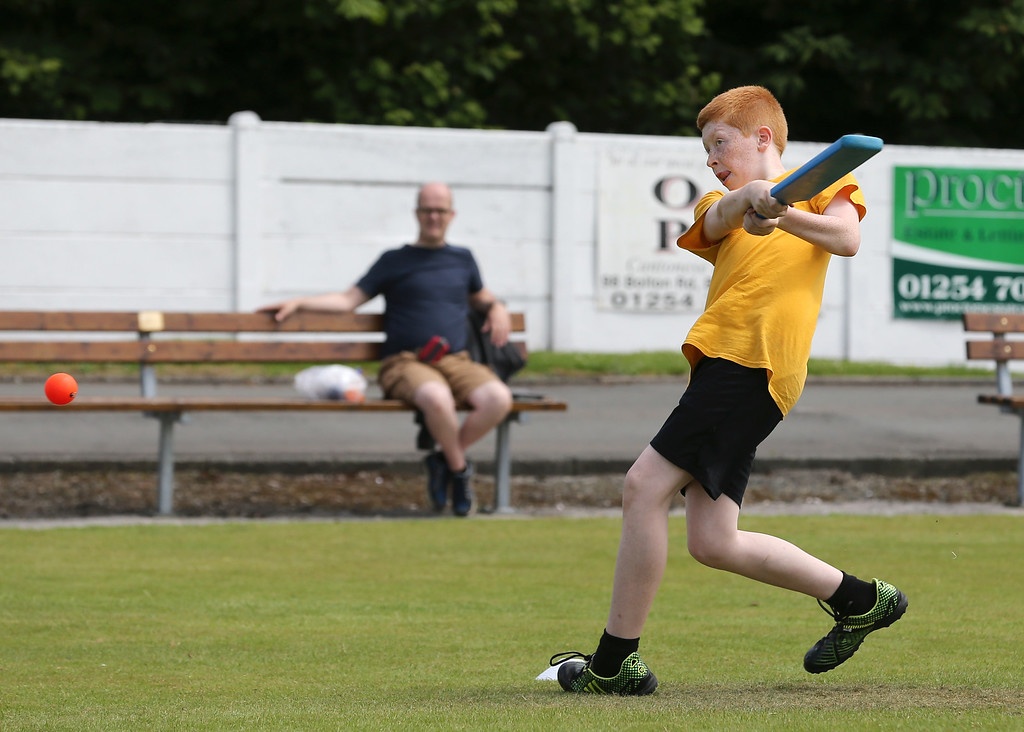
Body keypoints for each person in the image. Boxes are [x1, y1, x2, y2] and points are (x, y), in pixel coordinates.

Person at [552, 86, 907, 695]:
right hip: (726, 368)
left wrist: (781, 213)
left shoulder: (824, 186)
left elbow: (846, 240)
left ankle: (615, 663)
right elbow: (716, 220)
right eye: (707, 149)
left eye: (721, 143)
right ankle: (861, 600)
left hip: (754, 367)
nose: (711, 159)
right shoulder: (721, 201)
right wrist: (747, 200)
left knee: (642, 487)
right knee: (713, 542)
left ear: (762, 138)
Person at [260, 182, 513, 517]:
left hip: (456, 360)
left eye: (440, 210)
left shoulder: (462, 259)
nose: (433, 217)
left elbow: (481, 296)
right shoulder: (394, 260)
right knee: (438, 399)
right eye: (427, 210)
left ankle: (444, 461)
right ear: (416, 214)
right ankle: (459, 474)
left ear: (452, 215)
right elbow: (349, 300)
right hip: (405, 362)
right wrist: (300, 302)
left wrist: (498, 308)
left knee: (499, 399)